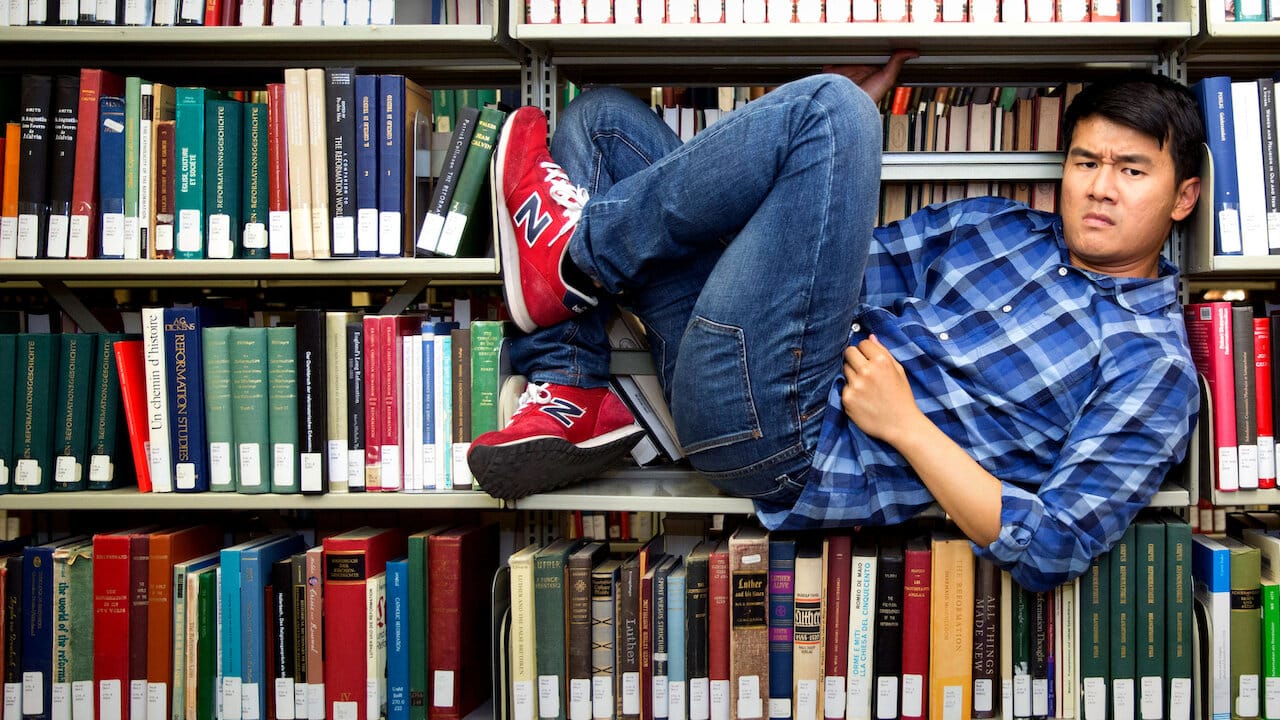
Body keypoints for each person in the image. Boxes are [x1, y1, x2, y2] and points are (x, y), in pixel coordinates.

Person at [466, 60, 1204, 592]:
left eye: (1132, 170)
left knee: (838, 109)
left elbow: (1054, 545)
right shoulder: (1000, 225)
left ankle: (573, 257)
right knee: (602, 124)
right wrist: (806, 159)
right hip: (764, 361)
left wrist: (908, 425)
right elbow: (822, 262)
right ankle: (572, 384)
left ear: (1183, 197)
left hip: (792, 446)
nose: (1100, 188)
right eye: (1085, 162)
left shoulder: (1154, 366)